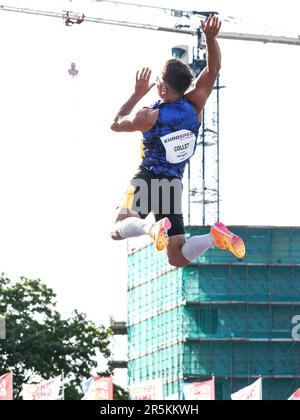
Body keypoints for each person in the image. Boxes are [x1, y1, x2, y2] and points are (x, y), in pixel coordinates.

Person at [110, 16, 245, 267]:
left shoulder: (148, 115)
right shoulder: (195, 105)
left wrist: (136, 94)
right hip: (171, 185)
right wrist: (211, 38)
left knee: (117, 228)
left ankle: (150, 228)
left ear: (163, 89)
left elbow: (116, 123)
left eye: (158, 83)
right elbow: (213, 69)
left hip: (146, 179)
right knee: (177, 257)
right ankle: (214, 237)